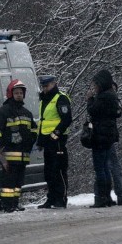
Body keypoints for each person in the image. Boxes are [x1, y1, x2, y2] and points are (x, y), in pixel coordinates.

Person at [0, 79, 38, 212]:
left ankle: (15, 203)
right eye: (16, 92)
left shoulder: (27, 113)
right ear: (10, 94)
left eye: (21, 93)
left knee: (18, 183)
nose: (19, 95)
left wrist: (31, 140)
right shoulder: (3, 112)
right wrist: (1, 151)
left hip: (23, 156)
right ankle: (7, 205)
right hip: (8, 157)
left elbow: (34, 129)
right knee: (8, 184)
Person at [86, 69, 122, 208]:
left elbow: (93, 111)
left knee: (100, 168)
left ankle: (102, 197)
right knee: (105, 167)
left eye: (95, 84)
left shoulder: (103, 97)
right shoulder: (112, 96)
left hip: (100, 136)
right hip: (108, 136)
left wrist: (90, 100)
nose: (94, 87)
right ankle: (106, 197)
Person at [37, 75, 72, 209]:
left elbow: (67, 119)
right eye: (43, 86)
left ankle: (61, 199)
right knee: (49, 171)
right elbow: (43, 121)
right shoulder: (44, 100)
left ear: (54, 84)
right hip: (47, 140)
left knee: (59, 170)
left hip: (57, 140)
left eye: (47, 85)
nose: (45, 88)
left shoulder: (60, 98)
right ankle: (51, 199)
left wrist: (56, 133)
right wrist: (40, 140)